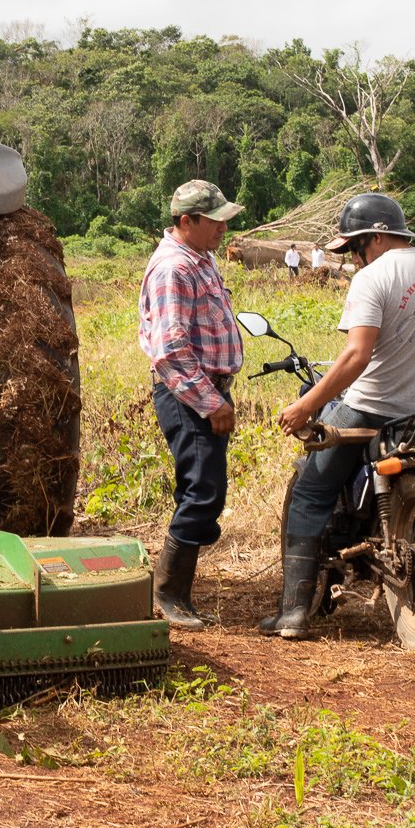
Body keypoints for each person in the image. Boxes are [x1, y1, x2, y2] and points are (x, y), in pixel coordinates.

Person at [263, 192, 415, 638]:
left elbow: (356, 356)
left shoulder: (373, 277)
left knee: (310, 493)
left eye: (354, 248)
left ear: (374, 238)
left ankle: (293, 613)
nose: (354, 259)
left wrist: (306, 405)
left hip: (373, 409)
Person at [138, 179, 246, 629]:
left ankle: (178, 590)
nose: (224, 228)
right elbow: (170, 350)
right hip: (188, 393)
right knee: (203, 490)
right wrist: (210, 402)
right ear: (187, 221)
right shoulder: (174, 269)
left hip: (205, 390)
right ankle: (167, 593)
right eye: (215, 221)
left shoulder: (201, 258)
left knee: (202, 488)